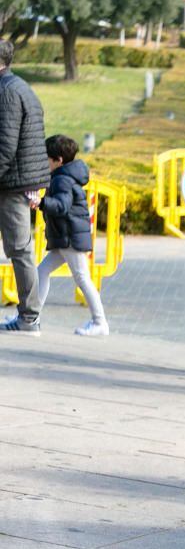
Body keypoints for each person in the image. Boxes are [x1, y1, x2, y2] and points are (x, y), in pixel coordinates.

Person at [30, 135, 108, 335]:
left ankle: (100, 322)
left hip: (70, 237)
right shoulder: (64, 176)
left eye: (46, 158)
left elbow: (62, 206)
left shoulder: (62, 179)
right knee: (42, 272)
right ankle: (31, 316)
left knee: (82, 278)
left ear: (58, 160)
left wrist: (41, 203)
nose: (44, 161)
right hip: (67, 237)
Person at [0, 39, 48, 336]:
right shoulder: (18, 87)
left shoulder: (6, 92)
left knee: (20, 250)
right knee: (20, 249)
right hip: (17, 181)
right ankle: (29, 316)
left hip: (11, 184)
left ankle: (29, 318)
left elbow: (5, 145)